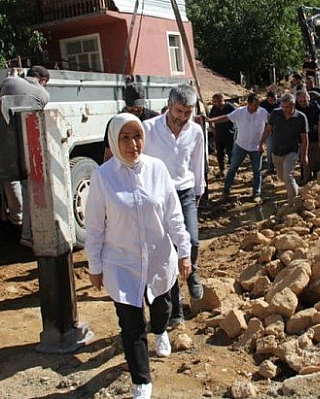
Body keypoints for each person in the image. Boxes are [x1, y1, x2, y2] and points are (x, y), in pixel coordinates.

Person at [86, 113, 191, 399]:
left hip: (159, 258)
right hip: (121, 263)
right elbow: (94, 227)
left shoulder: (158, 170)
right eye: (125, 137)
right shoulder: (102, 177)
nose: (133, 144)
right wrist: (94, 266)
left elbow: (173, 215)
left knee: (162, 308)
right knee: (130, 324)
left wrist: (184, 251)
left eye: (138, 136)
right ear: (113, 140)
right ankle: (142, 380)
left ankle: (160, 331)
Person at [142, 84, 205, 334]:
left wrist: (199, 191)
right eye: (179, 111)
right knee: (168, 253)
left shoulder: (196, 131)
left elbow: (198, 161)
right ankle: (176, 310)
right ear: (169, 106)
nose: (182, 117)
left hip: (186, 191)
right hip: (158, 197)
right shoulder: (148, 130)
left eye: (188, 112)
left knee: (192, 241)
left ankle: (191, 272)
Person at [0, 65, 50, 248]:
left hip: (6, 142)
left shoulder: (9, 81)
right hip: (28, 143)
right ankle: (27, 234)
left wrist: (12, 76)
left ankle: (16, 215)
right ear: (42, 81)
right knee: (28, 184)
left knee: (10, 177)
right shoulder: (43, 94)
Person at [207, 93, 268, 202]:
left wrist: (263, 143)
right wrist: (212, 120)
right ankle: (226, 191)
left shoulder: (262, 112)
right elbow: (226, 118)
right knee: (233, 168)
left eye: (258, 104)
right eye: (255, 104)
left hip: (256, 147)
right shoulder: (240, 112)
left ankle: (256, 193)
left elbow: (270, 124)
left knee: (257, 171)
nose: (257, 107)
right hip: (241, 145)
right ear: (249, 103)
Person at [259, 93, 309, 200]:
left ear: (293, 106)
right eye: (282, 106)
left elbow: (304, 139)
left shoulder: (300, 117)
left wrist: (304, 155)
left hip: (292, 150)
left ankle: (293, 203)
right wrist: (261, 144)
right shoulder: (276, 113)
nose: (284, 109)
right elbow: (268, 130)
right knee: (282, 177)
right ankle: (297, 189)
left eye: (287, 107)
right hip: (276, 150)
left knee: (288, 176)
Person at [103, 83, 160, 162]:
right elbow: (109, 155)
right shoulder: (115, 123)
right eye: (131, 108)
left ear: (143, 100)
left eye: (138, 108)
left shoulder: (154, 119)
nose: (134, 110)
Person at [296, 90, 320, 182]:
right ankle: (305, 179)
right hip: (301, 139)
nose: (303, 103)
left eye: (305, 101)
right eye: (301, 101)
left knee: (317, 159)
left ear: (308, 99)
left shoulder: (314, 107)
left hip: (314, 137)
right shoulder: (295, 109)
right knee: (304, 161)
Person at [207, 93, 237, 177]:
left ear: (221, 100)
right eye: (213, 102)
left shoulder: (230, 107)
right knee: (220, 153)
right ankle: (222, 170)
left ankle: (232, 170)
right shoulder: (214, 108)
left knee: (231, 152)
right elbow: (211, 119)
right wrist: (213, 129)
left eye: (216, 101)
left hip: (229, 133)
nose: (214, 103)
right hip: (218, 134)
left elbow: (237, 118)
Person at [259, 92, 280, 174]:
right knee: (270, 148)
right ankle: (271, 167)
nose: (273, 101)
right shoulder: (262, 105)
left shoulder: (280, 103)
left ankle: (278, 167)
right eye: (271, 100)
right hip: (267, 129)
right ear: (267, 98)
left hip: (279, 129)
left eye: (274, 99)